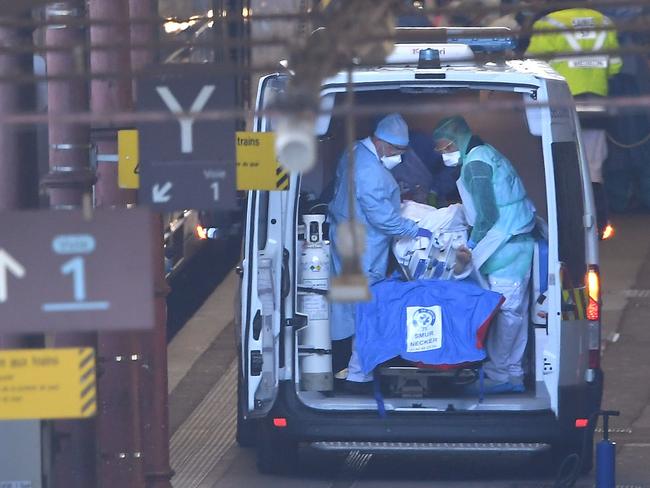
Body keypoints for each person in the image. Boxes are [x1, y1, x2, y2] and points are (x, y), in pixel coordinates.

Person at [432, 116, 536, 394]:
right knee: (514, 312)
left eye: (443, 149)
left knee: (506, 312)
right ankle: (513, 370)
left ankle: (500, 373)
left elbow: (488, 214)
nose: (443, 155)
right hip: (515, 241)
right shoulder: (486, 153)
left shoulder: (476, 163)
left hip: (507, 244)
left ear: (455, 141)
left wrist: (472, 244)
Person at [328, 113, 431, 391]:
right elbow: (383, 218)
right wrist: (415, 230)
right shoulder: (369, 171)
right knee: (365, 310)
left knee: (350, 308)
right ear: (382, 143)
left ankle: (346, 367)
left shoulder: (355, 153)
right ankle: (357, 376)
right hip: (363, 249)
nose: (399, 157)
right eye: (397, 151)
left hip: (347, 239)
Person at [525, 5, 622, 235]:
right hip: (597, 101)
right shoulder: (604, 21)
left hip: (562, 103)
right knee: (593, 166)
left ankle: (567, 228)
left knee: (562, 163)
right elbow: (616, 66)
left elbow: (532, 66)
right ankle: (599, 225)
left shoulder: (549, 23)